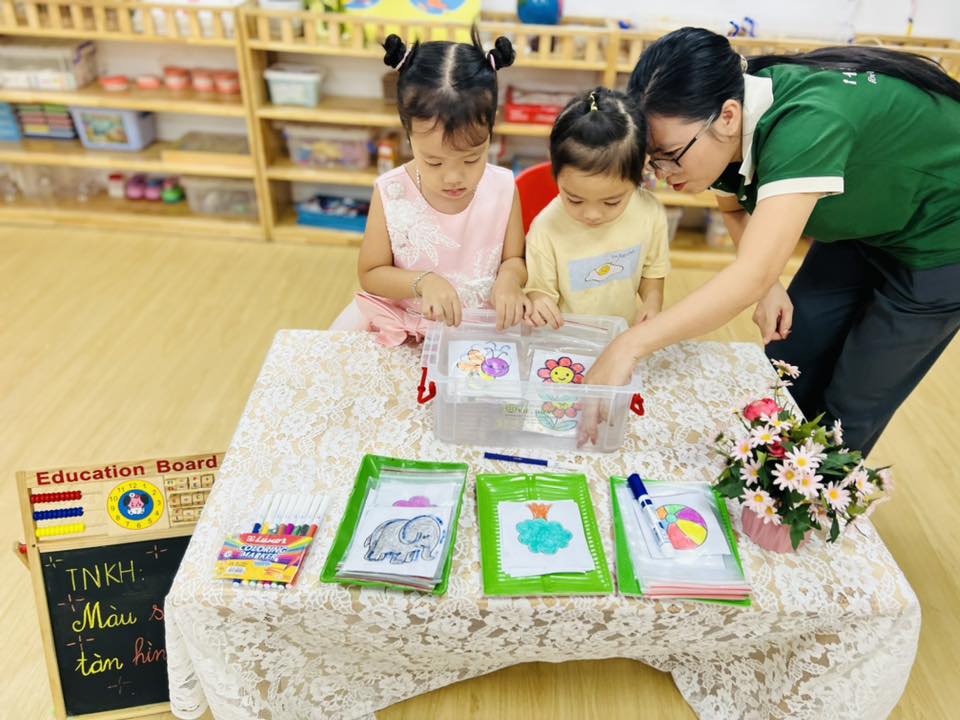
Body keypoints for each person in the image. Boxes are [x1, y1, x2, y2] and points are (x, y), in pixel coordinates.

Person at [582, 27, 960, 455]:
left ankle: (810, 491)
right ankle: (768, 479)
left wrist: (629, 346)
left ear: (727, 117)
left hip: (942, 241)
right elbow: (733, 210)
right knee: (790, 362)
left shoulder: (807, 123)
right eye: (654, 160)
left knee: (851, 405)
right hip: (866, 219)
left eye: (669, 155)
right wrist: (770, 284)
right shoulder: (726, 121)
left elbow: (750, 275)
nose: (663, 173)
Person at [351, 30, 529, 339]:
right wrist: (423, 282)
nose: (453, 177)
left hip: (482, 331)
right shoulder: (392, 191)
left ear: (491, 130)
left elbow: (514, 259)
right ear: (409, 135)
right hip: (408, 329)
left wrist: (509, 280)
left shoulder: (502, 186)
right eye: (434, 162)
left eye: (471, 159)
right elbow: (370, 273)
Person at [524, 87, 670, 329]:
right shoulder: (546, 228)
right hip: (565, 338)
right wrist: (538, 301)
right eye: (575, 200)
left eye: (612, 202)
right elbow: (539, 290)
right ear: (554, 168)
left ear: (641, 170)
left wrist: (652, 303)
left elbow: (652, 271)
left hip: (620, 334)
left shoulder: (649, 213)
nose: (592, 215)